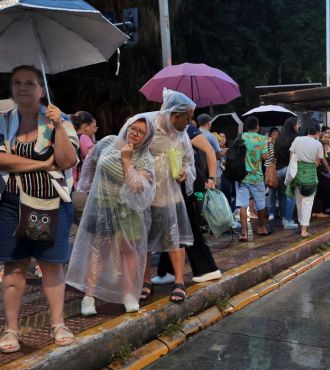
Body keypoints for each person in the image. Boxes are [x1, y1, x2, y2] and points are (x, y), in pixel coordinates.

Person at [0, 65, 79, 351]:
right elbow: (3, 160)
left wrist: (58, 125)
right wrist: (43, 164)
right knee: (14, 268)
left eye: (29, 83)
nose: (22, 88)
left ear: (41, 89)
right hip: (12, 205)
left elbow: (68, 160)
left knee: (51, 267)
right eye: (16, 82)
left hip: (51, 204)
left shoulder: (60, 119)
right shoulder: (3, 120)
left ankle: (58, 323)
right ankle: (11, 329)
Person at [66, 113, 156, 315]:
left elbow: (135, 186)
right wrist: (85, 186)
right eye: (134, 128)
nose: (135, 133)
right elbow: (90, 162)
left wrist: (126, 160)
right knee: (99, 250)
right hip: (103, 205)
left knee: (129, 251)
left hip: (128, 210)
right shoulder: (108, 142)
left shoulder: (144, 158)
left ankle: (128, 294)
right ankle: (89, 296)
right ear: (127, 125)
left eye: (142, 132)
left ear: (147, 137)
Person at [142, 89, 197, 304]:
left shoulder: (182, 135)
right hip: (147, 194)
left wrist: (186, 172)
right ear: (176, 115)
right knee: (143, 240)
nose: (189, 122)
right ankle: (145, 281)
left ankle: (180, 282)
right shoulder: (148, 125)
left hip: (171, 196)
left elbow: (189, 162)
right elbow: (131, 150)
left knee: (174, 237)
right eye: (188, 117)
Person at [153, 114, 222, 285]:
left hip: (189, 184)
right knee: (171, 224)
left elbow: (210, 151)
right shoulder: (170, 130)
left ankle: (207, 268)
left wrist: (212, 178)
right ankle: (166, 270)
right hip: (173, 185)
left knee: (188, 225)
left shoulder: (189, 129)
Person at [286, 124, 324, 237]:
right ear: (317, 132)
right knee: (308, 203)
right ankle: (304, 230)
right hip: (311, 176)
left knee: (299, 202)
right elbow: (317, 163)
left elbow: (291, 157)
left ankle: (300, 225)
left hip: (297, 174)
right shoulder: (318, 144)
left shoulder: (297, 139)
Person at [237, 116, 270, 242]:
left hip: (242, 176)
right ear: (257, 126)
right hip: (257, 176)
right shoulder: (262, 139)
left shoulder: (241, 137)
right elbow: (264, 157)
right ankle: (262, 228)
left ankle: (244, 232)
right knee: (260, 203)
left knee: (242, 204)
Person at [273, 118, 299, 229]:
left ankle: (284, 218)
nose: (298, 127)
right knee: (290, 195)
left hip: (278, 170)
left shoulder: (279, 138)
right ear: (293, 126)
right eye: (297, 125)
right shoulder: (295, 139)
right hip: (289, 169)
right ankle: (288, 220)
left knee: (282, 195)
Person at [71, 111, 97, 189]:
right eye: (94, 127)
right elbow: (95, 160)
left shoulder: (70, 137)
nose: (95, 130)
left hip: (69, 185)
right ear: (86, 127)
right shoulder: (84, 138)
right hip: (79, 187)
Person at [266, 127, 280, 221]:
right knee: (271, 192)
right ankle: (271, 212)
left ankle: (279, 211)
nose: (276, 136)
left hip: (279, 168)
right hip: (270, 169)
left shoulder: (281, 144)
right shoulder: (268, 144)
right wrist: (269, 143)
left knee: (280, 192)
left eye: (277, 134)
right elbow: (269, 157)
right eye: (274, 134)